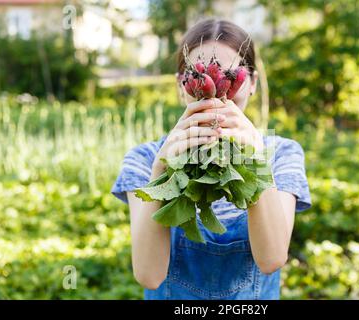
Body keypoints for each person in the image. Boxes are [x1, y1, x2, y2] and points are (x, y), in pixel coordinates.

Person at [111, 18, 312, 300]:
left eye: (230, 77)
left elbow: (272, 259)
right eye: (198, 76)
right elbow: (148, 275)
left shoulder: (281, 155)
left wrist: (255, 160)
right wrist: (161, 170)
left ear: (252, 82)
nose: (216, 90)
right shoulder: (143, 160)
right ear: (181, 84)